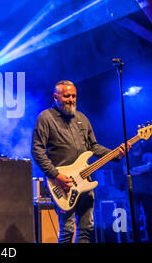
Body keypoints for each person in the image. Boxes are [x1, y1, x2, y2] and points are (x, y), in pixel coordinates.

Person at [31, 80, 128, 243]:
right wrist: (55, 175)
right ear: (56, 97)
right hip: (63, 184)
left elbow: (93, 147)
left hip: (85, 181)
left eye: (74, 96)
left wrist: (114, 154)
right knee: (67, 230)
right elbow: (37, 150)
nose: (71, 99)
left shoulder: (82, 118)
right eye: (66, 96)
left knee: (86, 228)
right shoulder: (46, 118)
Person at [125, 141, 152, 242]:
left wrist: (134, 170)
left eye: (138, 144)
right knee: (135, 219)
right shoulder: (128, 158)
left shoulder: (147, 155)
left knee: (150, 218)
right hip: (133, 192)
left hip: (147, 191)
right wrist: (140, 170)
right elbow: (126, 172)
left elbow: (148, 167)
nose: (136, 146)